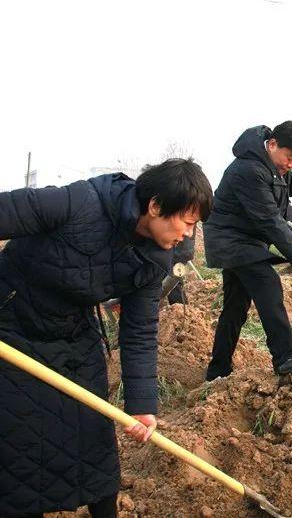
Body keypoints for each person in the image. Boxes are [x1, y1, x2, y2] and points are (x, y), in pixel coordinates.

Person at [0, 159, 212, 517]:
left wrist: (142, 405)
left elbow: (140, 330)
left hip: (73, 331)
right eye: (187, 222)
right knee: (19, 440)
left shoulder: (154, 258)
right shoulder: (80, 203)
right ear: (156, 206)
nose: (189, 234)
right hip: (12, 325)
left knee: (94, 442)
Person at [203, 122, 292, 382]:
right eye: (290, 158)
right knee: (268, 285)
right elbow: (268, 219)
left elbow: (283, 188)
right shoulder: (248, 168)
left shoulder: (271, 165)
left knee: (234, 308)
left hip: (248, 240)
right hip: (231, 239)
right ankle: (286, 358)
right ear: (273, 144)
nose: (291, 164)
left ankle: (217, 369)